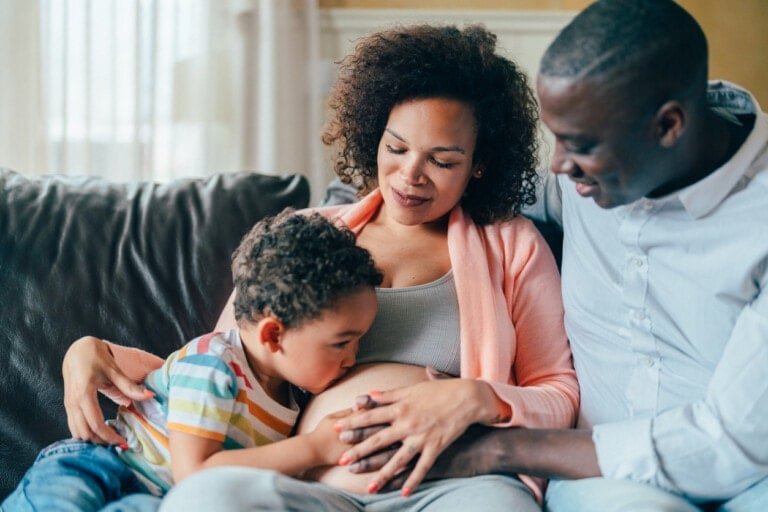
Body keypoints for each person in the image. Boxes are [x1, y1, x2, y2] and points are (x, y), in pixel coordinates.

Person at [60, 24, 579, 512]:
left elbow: (558, 391)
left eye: (442, 161)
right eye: (396, 148)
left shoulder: (511, 244)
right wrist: (91, 350)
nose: (410, 175)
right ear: (374, 134)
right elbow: (230, 361)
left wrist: (473, 397)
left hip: (453, 487)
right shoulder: (307, 235)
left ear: (479, 163)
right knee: (202, 499)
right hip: (309, 489)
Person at [353, 1, 767, 511]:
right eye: (556, 138)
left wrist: (494, 447)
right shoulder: (586, 175)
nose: (559, 166)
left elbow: (734, 442)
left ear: (668, 126)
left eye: (580, 145)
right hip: (607, 484)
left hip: (750, 471)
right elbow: (445, 181)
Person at [3, 209, 382, 511]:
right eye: (342, 343)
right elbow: (195, 473)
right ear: (273, 335)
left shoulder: (290, 402)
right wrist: (315, 448)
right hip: (101, 467)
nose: (354, 356)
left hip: (154, 499)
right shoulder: (213, 364)